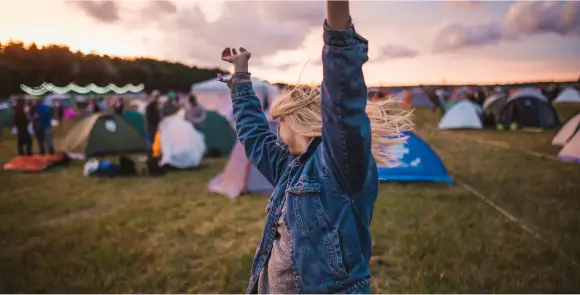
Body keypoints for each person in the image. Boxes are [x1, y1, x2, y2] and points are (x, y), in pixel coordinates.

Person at [220, 1, 412, 293]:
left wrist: (337, 31)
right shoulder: (291, 166)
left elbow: (342, 104)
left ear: (294, 121)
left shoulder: (337, 166)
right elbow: (254, 136)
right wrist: (241, 77)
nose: (275, 126)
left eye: (278, 119)